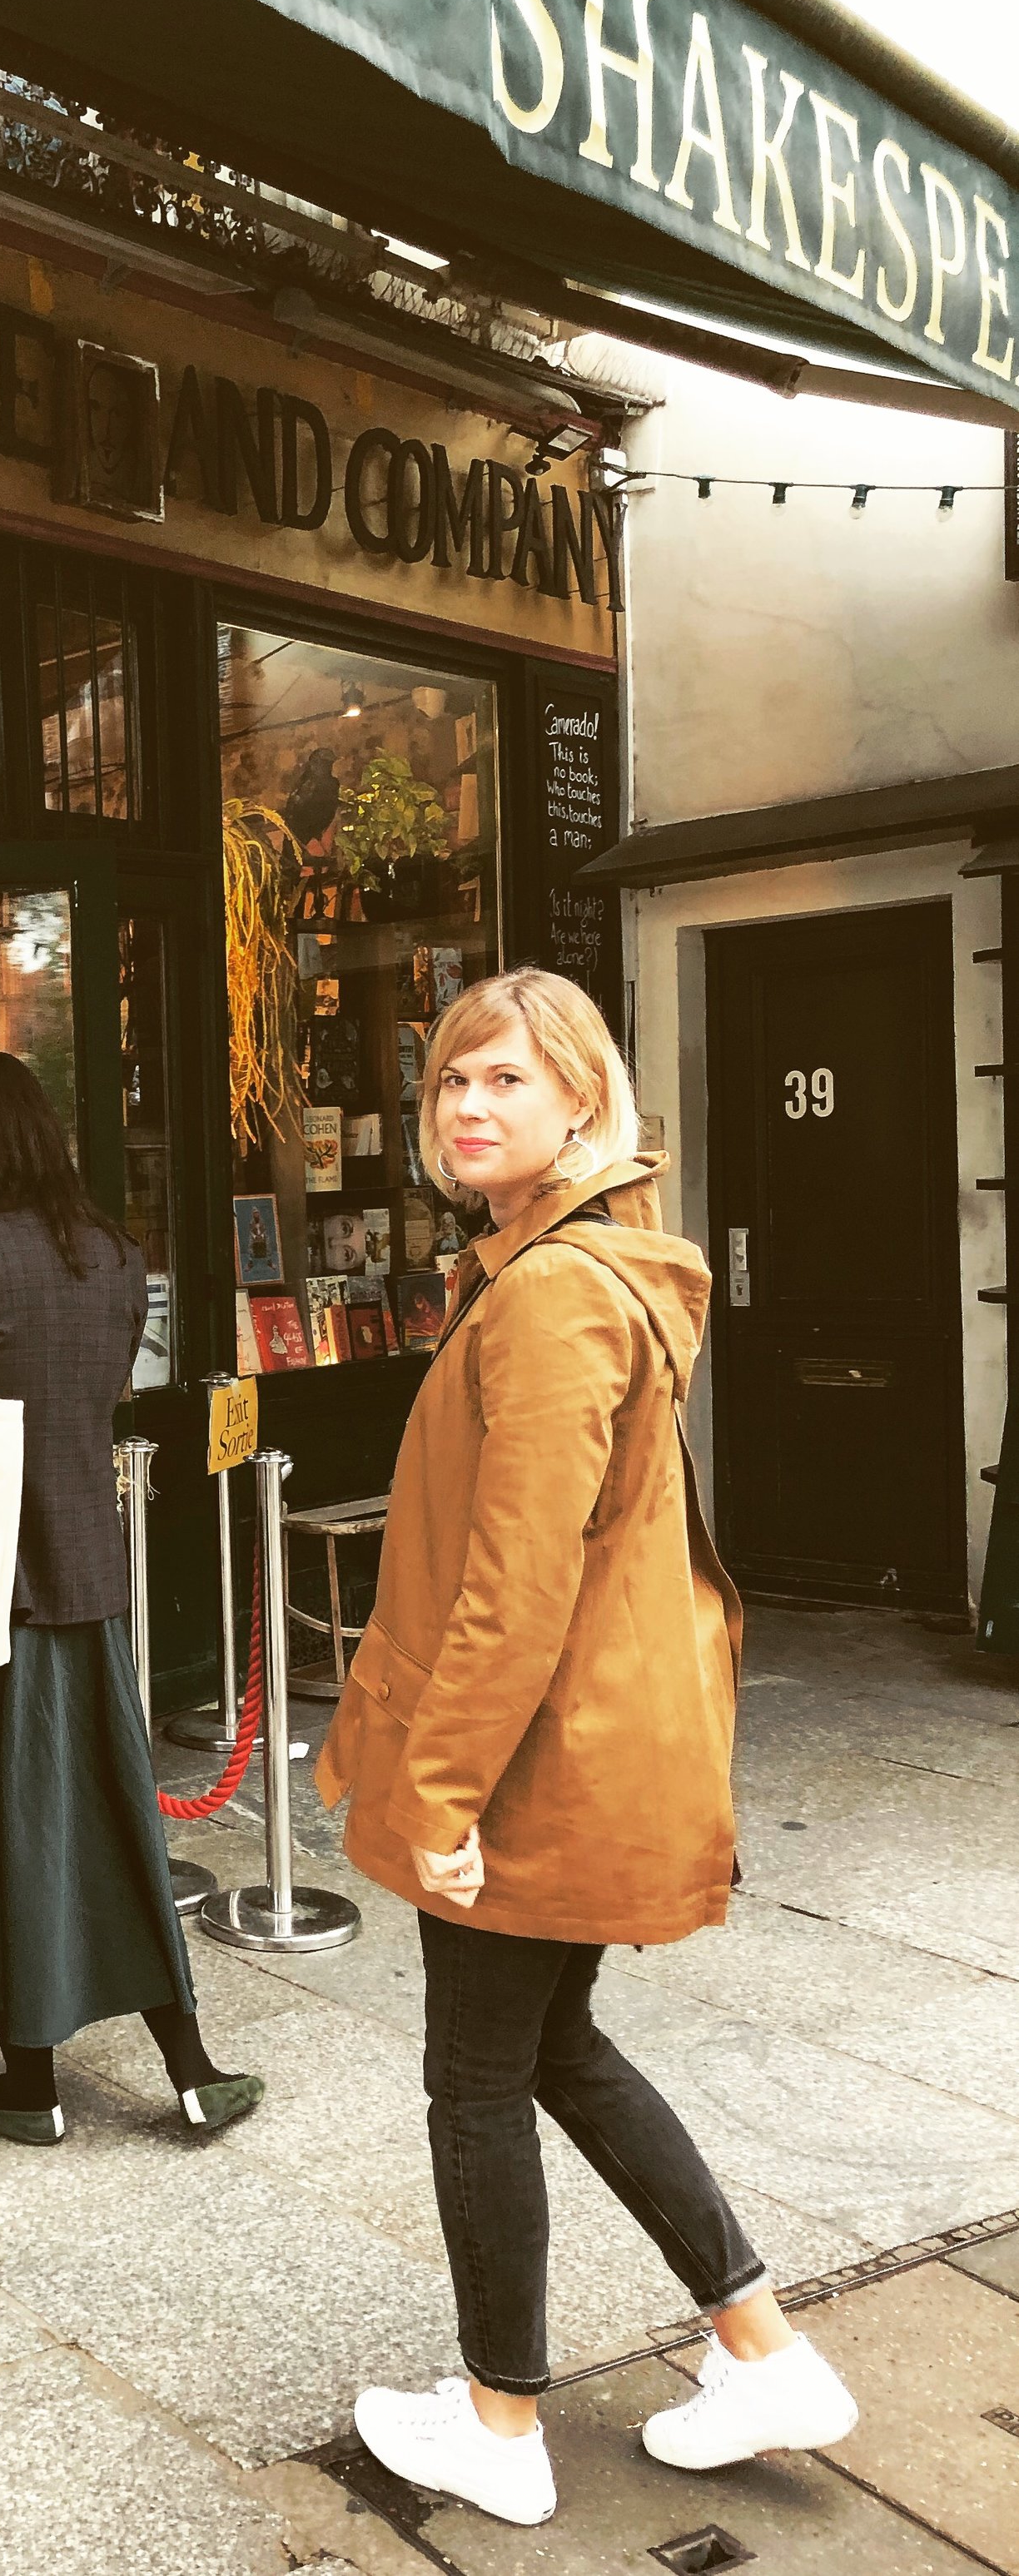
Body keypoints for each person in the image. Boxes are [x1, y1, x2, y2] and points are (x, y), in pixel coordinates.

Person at [327, 970, 857, 2528]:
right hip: (566, 1750)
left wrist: (433, 1793)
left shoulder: (554, 1291)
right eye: (447, 1087)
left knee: (475, 2081)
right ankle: (758, 2346)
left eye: (505, 1079)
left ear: (581, 1098)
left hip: (527, 1766)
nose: (470, 1107)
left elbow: (519, 1579)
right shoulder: (566, 1267)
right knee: (555, 2051)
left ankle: (498, 2423)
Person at [0, 1051, 261, 2144]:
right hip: (83, 1575)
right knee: (114, 1826)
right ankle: (194, 2063)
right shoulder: (113, 1252)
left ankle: (30, 2084)